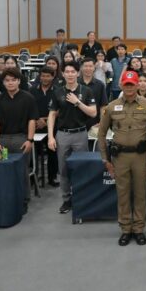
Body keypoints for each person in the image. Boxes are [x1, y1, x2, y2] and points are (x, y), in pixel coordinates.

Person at [98, 70, 146, 246]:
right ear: (121, 85)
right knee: (123, 194)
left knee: (140, 194)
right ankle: (126, 229)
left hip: (140, 157)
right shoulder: (112, 106)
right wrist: (105, 160)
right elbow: (101, 134)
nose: (129, 88)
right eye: (126, 85)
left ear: (137, 85)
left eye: (132, 84)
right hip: (119, 158)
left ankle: (139, 229)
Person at [48, 61, 98, 215]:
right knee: (63, 170)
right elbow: (52, 114)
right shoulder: (58, 92)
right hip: (62, 134)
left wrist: (78, 102)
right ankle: (66, 199)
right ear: (63, 74)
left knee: (81, 167)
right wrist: (50, 137)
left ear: (78, 73)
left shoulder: (86, 91)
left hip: (80, 134)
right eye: (67, 72)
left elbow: (93, 113)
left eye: (73, 71)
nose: (70, 74)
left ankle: (81, 197)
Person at [0, 69, 38, 210]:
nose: (10, 83)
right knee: (3, 170)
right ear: (3, 82)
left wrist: (29, 140)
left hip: (21, 140)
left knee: (22, 171)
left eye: (13, 80)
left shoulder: (28, 98)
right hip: (3, 141)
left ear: (18, 81)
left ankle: (24, 199)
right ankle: (5, 198)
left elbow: (32, 120)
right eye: (7, 80)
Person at [30, 66, 59, 186]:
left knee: (53, 152)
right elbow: (30, 107)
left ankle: (52, 177)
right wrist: (37, 119)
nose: (45, 78)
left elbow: (60, 109)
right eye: (43, 76)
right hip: (36, 125)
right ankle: (33, 177)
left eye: (48, 76)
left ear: (53, 77)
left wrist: (46, 120)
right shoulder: (32, 90)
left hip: (53, 125)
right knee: (34, 152)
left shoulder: (58, 90)